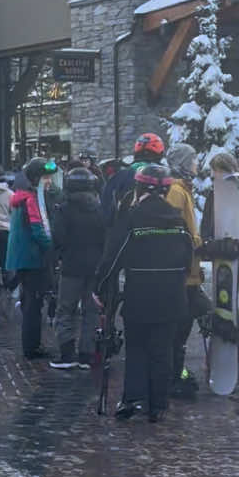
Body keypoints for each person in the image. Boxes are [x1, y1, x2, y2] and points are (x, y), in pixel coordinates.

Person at [97, 163, 192, 422]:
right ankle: (158, 405)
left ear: (139, 189)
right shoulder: (178, 220)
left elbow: (112, 258)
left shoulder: (132, 218)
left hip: (140, 295)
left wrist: (101, 288)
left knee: (137, 347)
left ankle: (133, 399)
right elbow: (188, 258)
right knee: (163, 350)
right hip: (172, 298)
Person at [200, 150, 239, 372]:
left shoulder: (229, 190)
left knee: (226, 303)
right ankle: (234, 353)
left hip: (226, 251)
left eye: (215, 171)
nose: (213, 176)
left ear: (223, 169)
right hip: (236, 251)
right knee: (226, 301)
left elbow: (216, 221)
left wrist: (208, 244)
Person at [49, 166, 107, 369]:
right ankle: (87, 354)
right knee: (91, 311)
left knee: (66, 309)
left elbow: (58, 238)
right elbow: (105, 237)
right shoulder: (100, 209)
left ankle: (67, 354)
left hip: (71, 266)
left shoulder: (63, 209)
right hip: (95, 267)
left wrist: (61, 254)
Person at [165, 143, 206, 398]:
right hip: (182, 275)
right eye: (193, 160)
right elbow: (178, 234)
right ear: (182, 163)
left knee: (184, 328)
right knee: (178, 331)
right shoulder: (176, 192)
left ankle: (176, 373)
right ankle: (174, 377)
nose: (197, 165)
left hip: (189, 274)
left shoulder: (184, 190)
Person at [6, 157, 55, 359]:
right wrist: (53, 247)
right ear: (37, 178)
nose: (50, 181)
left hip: (22, 258)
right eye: (46, 177)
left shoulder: (22, 197)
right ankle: (31, 347)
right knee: (33, 304)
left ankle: (32, 345)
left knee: (29, 302)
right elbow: (38, 230)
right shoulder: (31, 199)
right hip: (32, 259)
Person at [101, 132, 166, 220]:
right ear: (160, 153)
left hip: (125, 229)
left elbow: (106, 208)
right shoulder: (167, 178)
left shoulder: (119, 176)